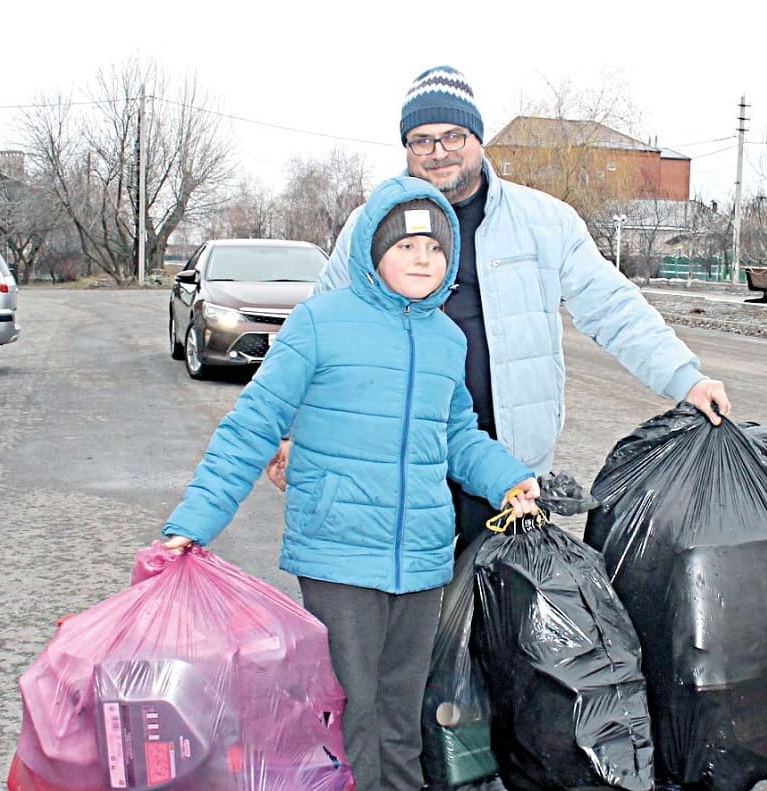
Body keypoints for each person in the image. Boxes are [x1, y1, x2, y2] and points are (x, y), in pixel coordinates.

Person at [160, 175, 540, 791]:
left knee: (402, 711)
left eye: (436, 249)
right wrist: (194, 522)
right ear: (373, 251)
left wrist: (508, 481)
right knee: (350, 709)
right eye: (406, 246)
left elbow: (458, 435)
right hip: (338, 551)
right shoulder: (320, 323)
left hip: (420, 558)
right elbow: (253, 425)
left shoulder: (446, 339)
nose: (423, 259)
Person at [269, 64, 731, 548]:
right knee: (403, 610)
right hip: (396, 459)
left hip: (506, 467)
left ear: (478, 138)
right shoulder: (371, 226)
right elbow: (317, 331)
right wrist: (286, 428)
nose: (439, 152)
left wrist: (686, 379)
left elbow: (613, 308)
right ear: (406, 148)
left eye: (453, 136)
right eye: (422, 140)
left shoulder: (545, 223)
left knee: (501, 611)